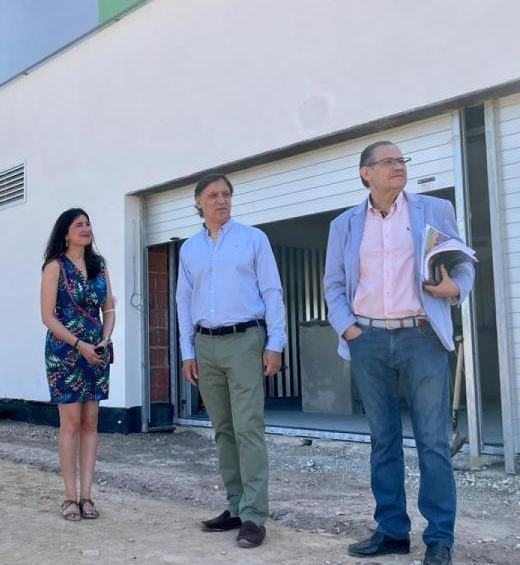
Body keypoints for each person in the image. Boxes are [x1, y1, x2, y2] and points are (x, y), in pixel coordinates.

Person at [323, 141, 475, 565]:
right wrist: (349, 330)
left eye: (401, 161)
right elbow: (334, 283)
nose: (398, 167)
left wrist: (454, 288)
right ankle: (392, 531)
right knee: (383, 441)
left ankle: (440, 538)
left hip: (421, 337)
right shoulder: (345, 225)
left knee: (432, 442)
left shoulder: (434, 210)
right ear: (364, 173)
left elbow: (464, 264)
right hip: (368, 339)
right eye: (387, 162)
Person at [175, 173, 286, 548]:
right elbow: (182, 302)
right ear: (198, 203)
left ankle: (254, 515)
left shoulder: (254, 239)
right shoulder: (189, 249)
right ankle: (235, 506)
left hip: (245, 341)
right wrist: (187, 351)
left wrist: (276, 343)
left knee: (248, 427)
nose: (221, 200)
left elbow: (272, 291)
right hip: (205, 345)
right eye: (212, 195)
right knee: (222, 429)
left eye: (226, 194)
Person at [40, 208, 116, 521]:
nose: (86, 228)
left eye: (88, 223)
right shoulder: (54, 267)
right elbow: (47, 316)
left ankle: (87, 496)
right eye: (78, 224)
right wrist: (78, 344)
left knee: (91, 423)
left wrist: (105, 339)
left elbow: (109, 309)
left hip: (96, 352)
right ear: (66, 233)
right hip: (65, 352)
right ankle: (69, 497)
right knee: (70, 423)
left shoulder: (100, 267)